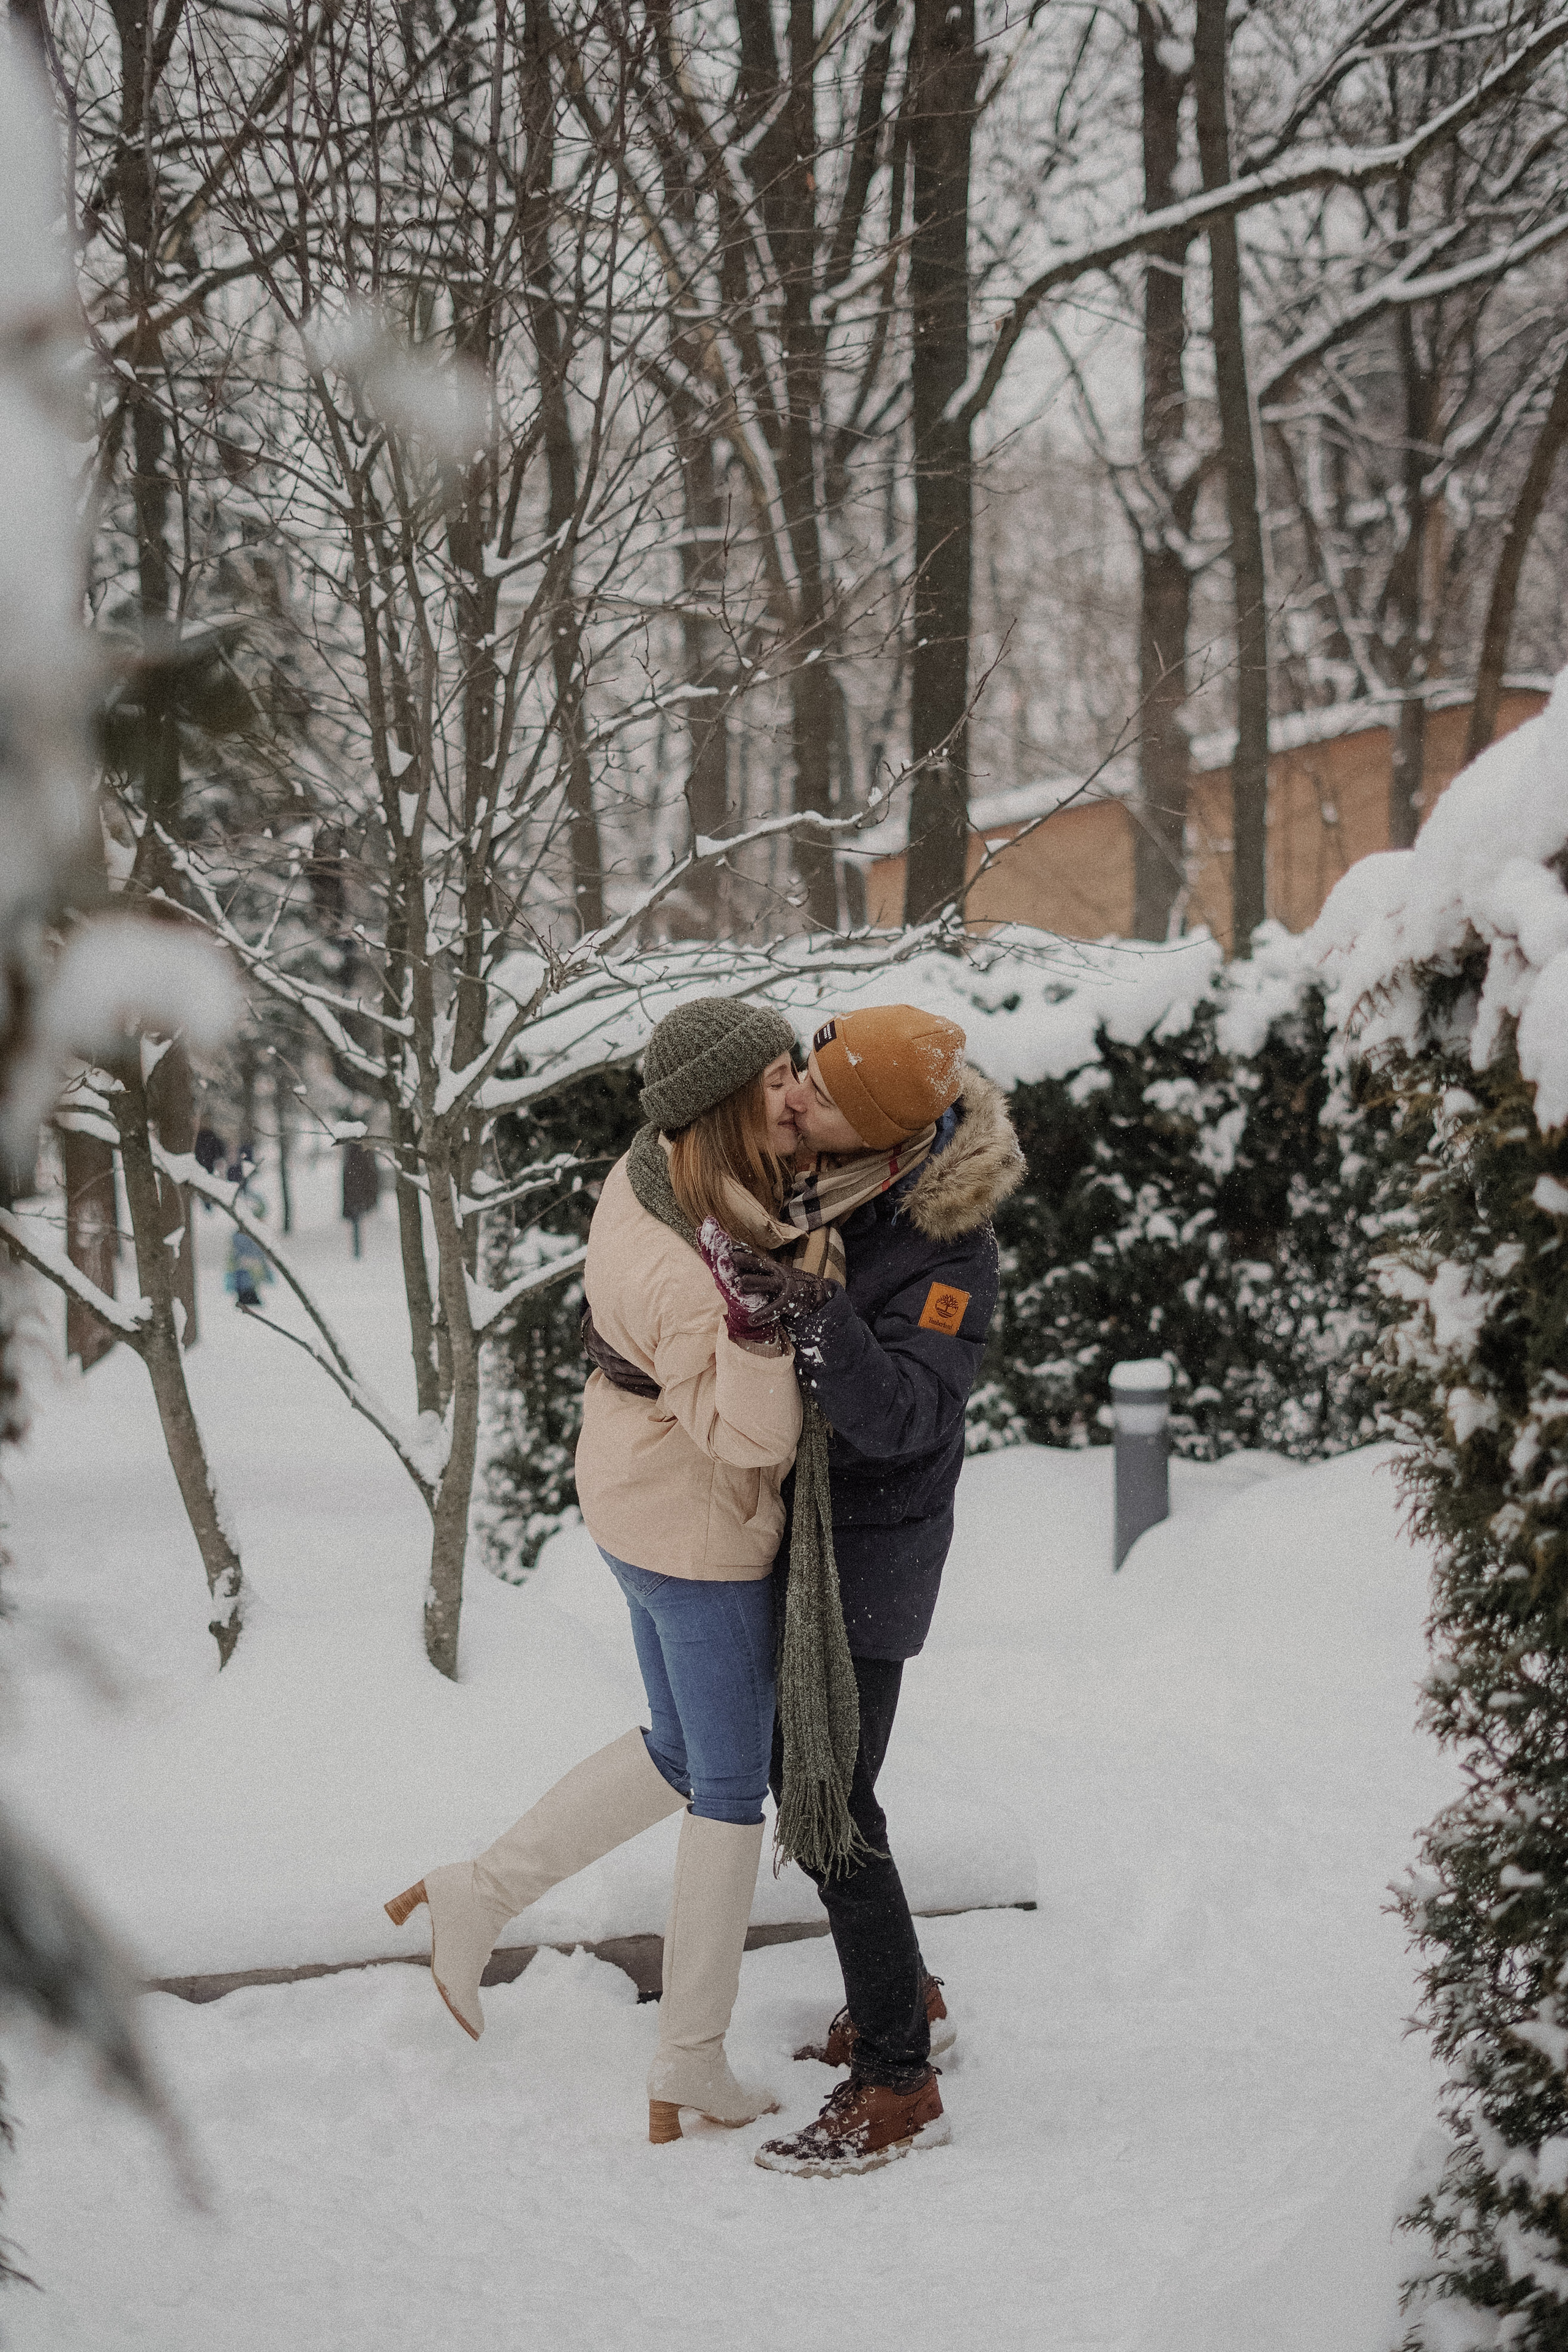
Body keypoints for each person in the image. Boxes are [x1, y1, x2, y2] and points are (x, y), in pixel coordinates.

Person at [386, 995, 819, 2144]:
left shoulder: (663, 1169)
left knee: (682, 1751)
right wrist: (769, 1326)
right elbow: (753, 1439)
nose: (797, 1090)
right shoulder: (685, 1277)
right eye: (775, 1076)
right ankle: (688, 2063)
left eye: (794, 1064)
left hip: (638, 1505)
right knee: (729, 1788)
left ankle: (474, 1895)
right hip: (695, 1533)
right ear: (721, 1106)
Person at [712, 1005, 1024, 2178]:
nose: (800, 1104)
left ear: (889, 1135)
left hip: (875, 1557)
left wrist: (822, 1321)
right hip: (811, 1537)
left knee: (834, 1805)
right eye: (811, 1081)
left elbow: (907, 1418)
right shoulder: (834, 1186)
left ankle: (898, 2077)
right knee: (832, 1787)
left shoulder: (949, 1246)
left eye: (826, 1098)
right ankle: (908, 1993)